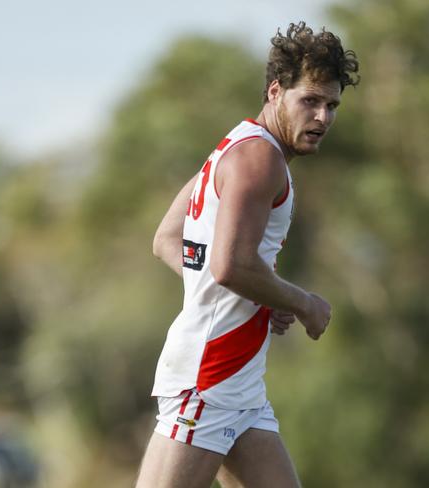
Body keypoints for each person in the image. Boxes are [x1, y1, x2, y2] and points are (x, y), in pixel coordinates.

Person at [136, 21, 359, 488]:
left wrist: (261, 295)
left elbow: (169, 239)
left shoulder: (235, 145)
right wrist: (303, 302)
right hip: (209, 377)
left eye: (332, 105)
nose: (322, 117)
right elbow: (229, 265)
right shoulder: (261, 160)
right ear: (276, 92)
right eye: (310, 101)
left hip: (239, 387)